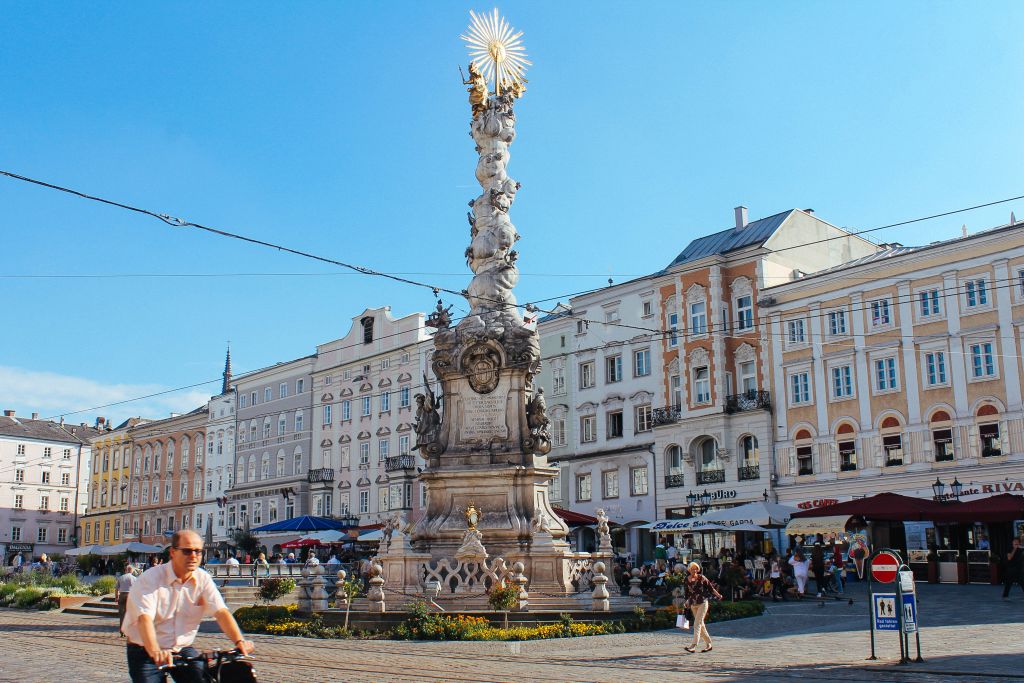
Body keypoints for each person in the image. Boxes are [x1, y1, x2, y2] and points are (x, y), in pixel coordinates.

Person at [122, 530, 254, 682]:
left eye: (198, 551)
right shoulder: (151, 579)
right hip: (145, 648)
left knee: (201, 678)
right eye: (187, 551)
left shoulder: (202, 578)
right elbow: (145, 619)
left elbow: (221, 612)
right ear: (172, 552)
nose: (193, 556)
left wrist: (239, 641)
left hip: (181, 647)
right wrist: (155, 651)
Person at [681, 561, 722, 653]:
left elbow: (711, 588)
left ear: (698, 569)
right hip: (693, 604)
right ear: (689, 570)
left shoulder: (702, 578)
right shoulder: (687, 579)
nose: (694, 570)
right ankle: (709, 644)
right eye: (692, 569)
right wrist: (686, 602)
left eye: (695, 568)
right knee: (701, 625)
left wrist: (718, 595)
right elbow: (687, 593)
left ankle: (693, 645)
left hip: (702, 603)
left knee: (697, 624)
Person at [116, 562, 137, 638]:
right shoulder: (134, 578)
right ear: (130, 570)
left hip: (122, 595)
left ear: (126, 570)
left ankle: (122, 631)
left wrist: (116, 597)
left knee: (122, 614)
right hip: (130, 596)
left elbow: (116, 589)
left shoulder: (121, 577)